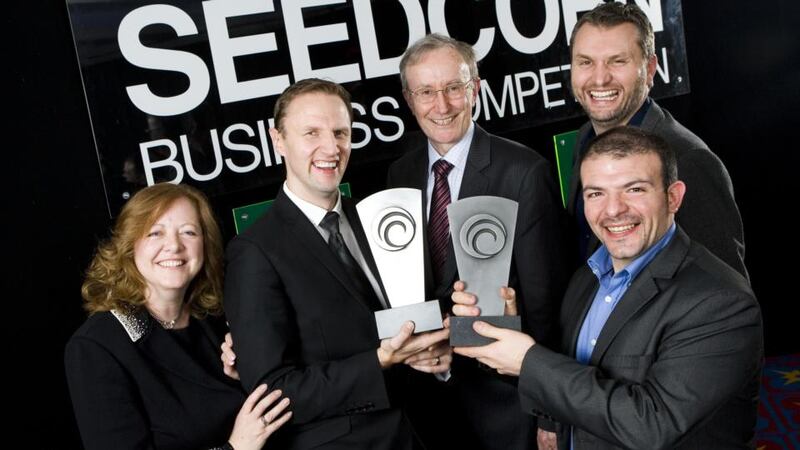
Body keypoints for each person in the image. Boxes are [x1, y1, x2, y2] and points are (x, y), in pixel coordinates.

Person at [453, 127, 763, 449]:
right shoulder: (587, 276)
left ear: (673, 197)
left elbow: (652, 425)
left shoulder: (721, 302)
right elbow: (565, 375)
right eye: (596, 194)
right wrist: (498, 330)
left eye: (634, 190)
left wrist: (527, 360)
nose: (613, 210)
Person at [222, 78, 451, 449]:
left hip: (426, 432)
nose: (331, 148)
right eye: (311, 133)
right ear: (278, 140)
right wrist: (379, 362)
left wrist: (439, 352)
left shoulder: (378, 219)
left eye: (341, 132)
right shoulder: (254, 251)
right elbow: (275, 392)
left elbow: (415, 321)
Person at [386, 33, 570, 450]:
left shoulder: (524, 172)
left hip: (506, 408)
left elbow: (546, 305)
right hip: (429, 407)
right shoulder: (399, 175)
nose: (442, 105)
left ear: (476, 90)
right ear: (408, 99)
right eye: (427, 92)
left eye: (454, 87)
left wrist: (549, 414)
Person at [65, 183, 292, 450]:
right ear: (129, 246)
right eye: (155, 233)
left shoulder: (217, 321)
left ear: (204, 245)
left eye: (188, 232)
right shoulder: (98, 348)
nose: (173, 246)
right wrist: (235, 448)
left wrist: (248, 374)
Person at [566, 2, 747, 278]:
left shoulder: (688, 160)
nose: (600, 79)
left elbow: (727, 292)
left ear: (650, 69)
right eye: (586, 62)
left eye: (618, 61)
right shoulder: (585, 139)